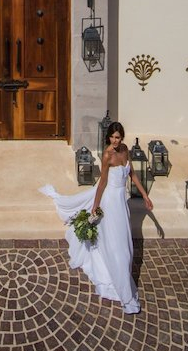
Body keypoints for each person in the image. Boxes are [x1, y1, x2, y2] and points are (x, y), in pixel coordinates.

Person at [40, 123, 153, 314]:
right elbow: (101, 184)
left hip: (121, 202)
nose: (115, 141)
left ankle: (122, 274)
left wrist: (144, 195)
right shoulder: (107, 155)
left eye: (118, 137)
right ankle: (122, 287)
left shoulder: (125, 150)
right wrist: (95, 206)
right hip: (109, 200)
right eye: (112, 137)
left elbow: (132, 175)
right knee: (115, 244)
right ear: (108, 137)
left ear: (122, 138)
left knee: (123, 243)